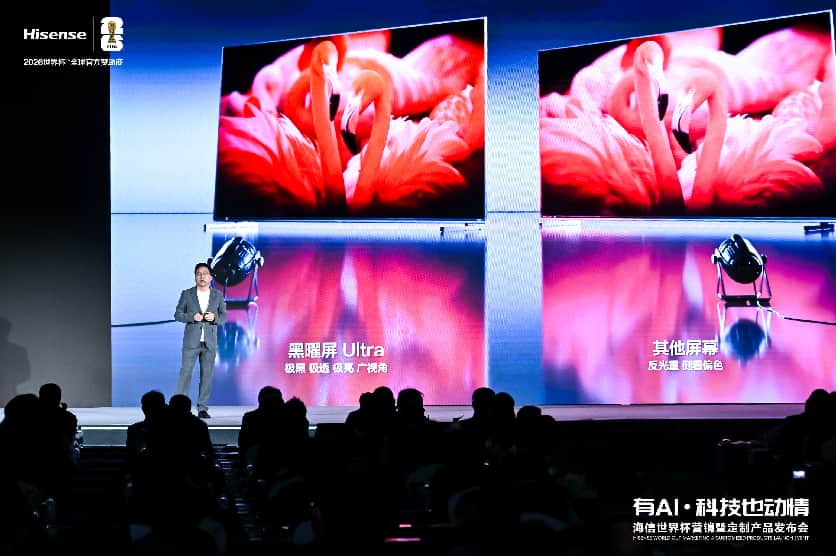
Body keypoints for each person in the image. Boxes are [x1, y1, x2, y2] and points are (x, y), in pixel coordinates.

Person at [174, 262, 227, 419]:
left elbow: (224, 316)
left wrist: (214, 318)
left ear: (210, 277)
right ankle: (179, 408)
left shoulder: (218, 295)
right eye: (198, 274)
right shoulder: (187, 294)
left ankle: (202, 408)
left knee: (207, 375)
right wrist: (192, 317)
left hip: (209, 342)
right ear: (195, 276)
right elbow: (177, 314)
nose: (202, 276)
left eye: (205, 274)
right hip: (191, 342)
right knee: (185, 373)